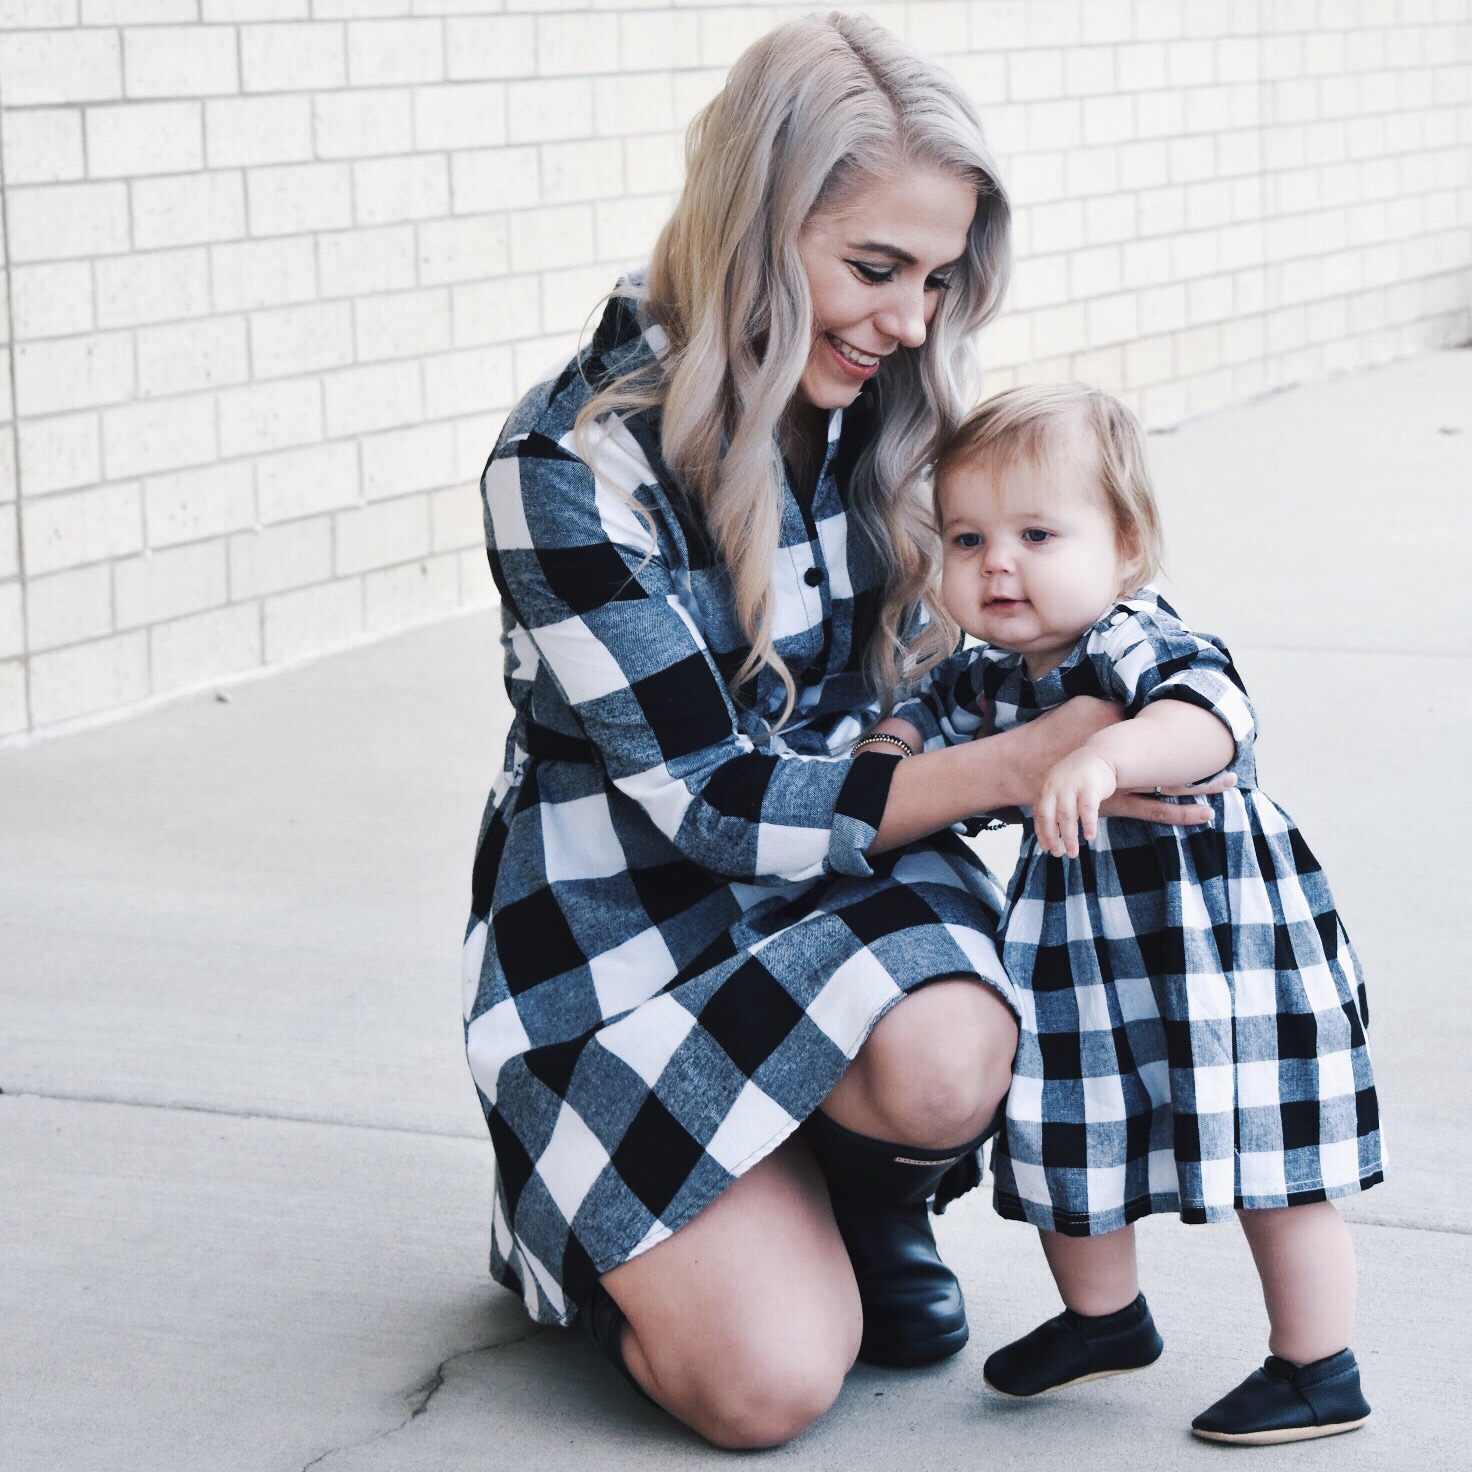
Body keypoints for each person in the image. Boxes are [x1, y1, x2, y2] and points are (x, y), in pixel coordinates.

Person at [463, 15, 1218, 1449]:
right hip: (626, 914)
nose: (918, 321)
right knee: (764, 1392)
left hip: (862, 849)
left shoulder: (897, 406)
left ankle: (863, 1194)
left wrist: (1165, 712)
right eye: (877, 270)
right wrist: (1024, 762)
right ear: (754, 225)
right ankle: (572, 1203)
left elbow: (1075, 605)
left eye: (938, 277)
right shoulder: (565, 465)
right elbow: (712, 807)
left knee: (947, 1057)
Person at [895, 382, 1383, 1444]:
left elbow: (1210, 713)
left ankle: (1316, 1365)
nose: (995, 563)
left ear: (1123, 549)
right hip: (1081, 951)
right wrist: (887, 752)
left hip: (1219, 946)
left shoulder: (1129, 639)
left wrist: (1106, 751)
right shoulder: (986, 675)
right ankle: (1102, 1316)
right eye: (966, 536)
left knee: (1269, 1153)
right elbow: (914, 724)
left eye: (1035, 532)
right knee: (1066, 1130)